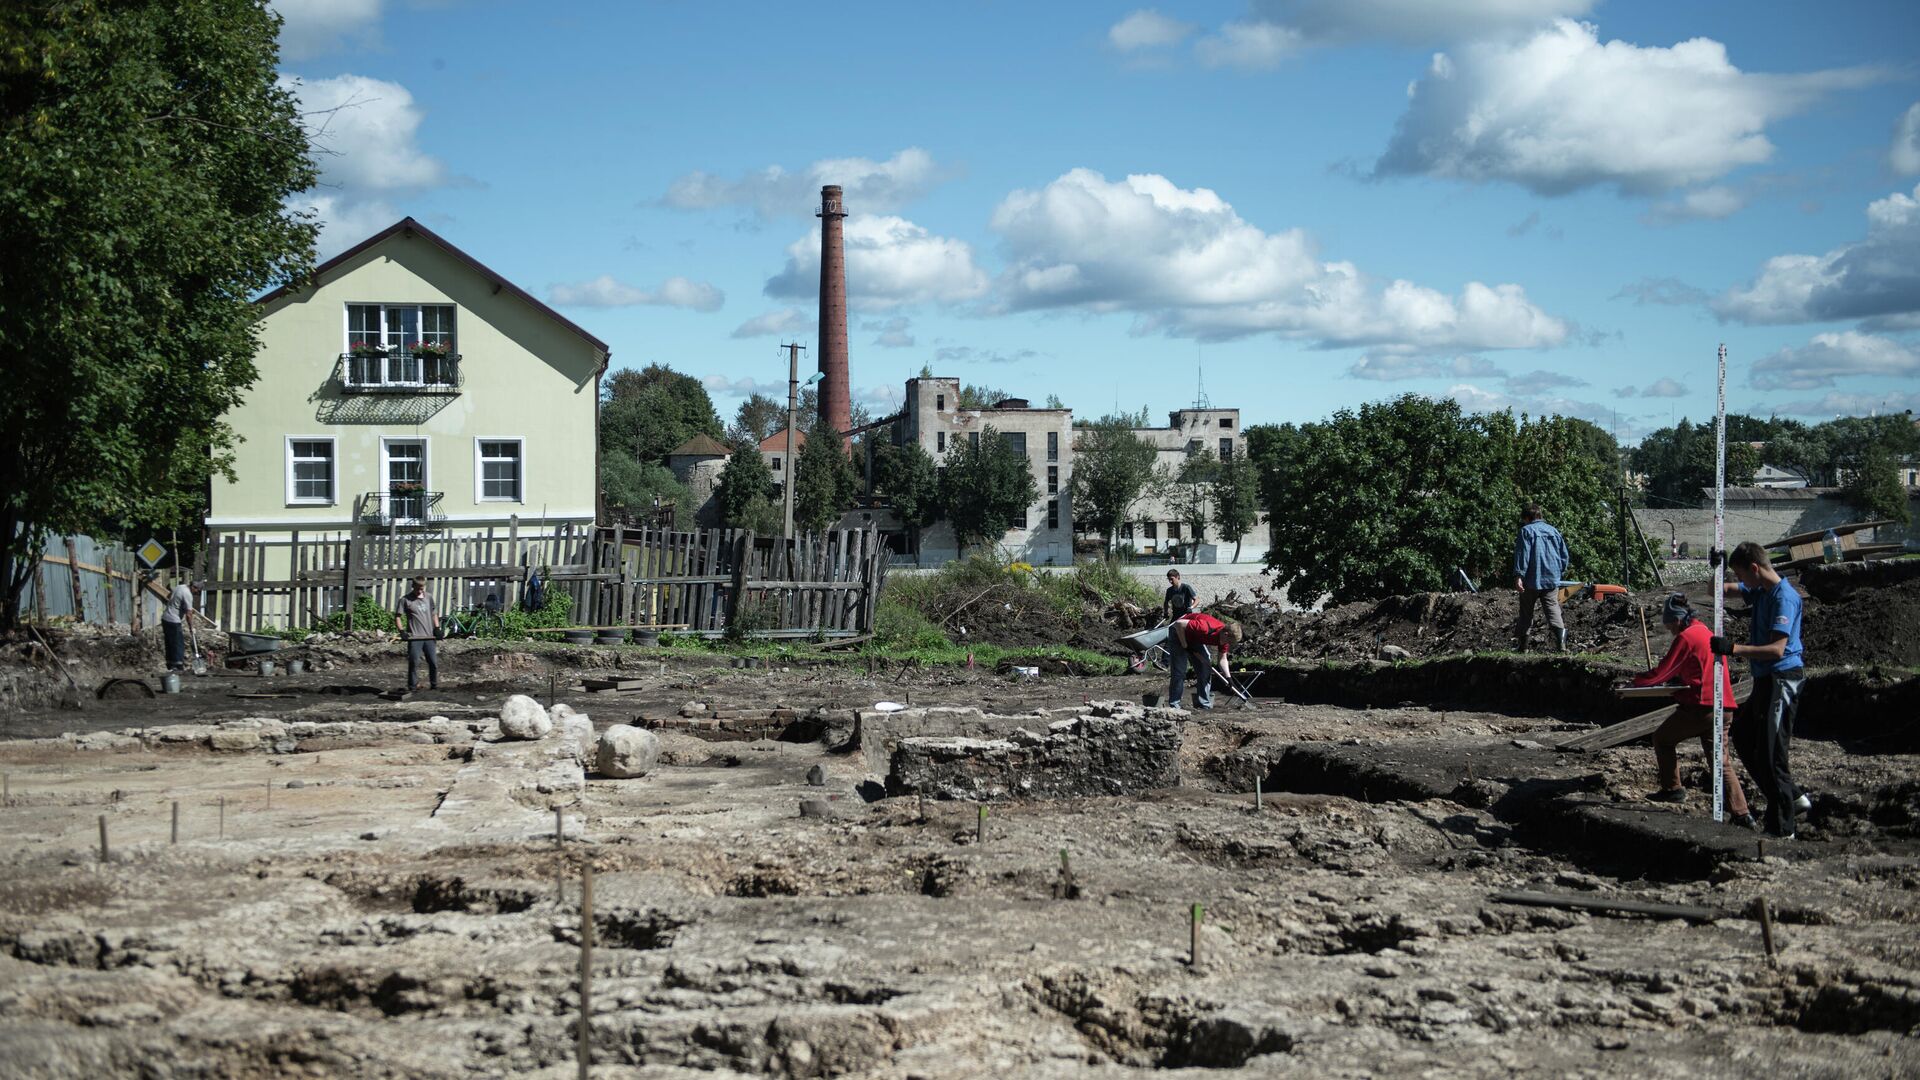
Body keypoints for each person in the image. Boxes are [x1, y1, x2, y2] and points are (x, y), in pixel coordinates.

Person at [1630, 593, 1754, 828]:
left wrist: (1637, 682)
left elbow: (1664, 671)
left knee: (1662, 739)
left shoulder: (1687, 637)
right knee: (1721, 762)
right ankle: (1742, 813)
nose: (1669, 630)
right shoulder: (1705, 632)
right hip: (1724, 706)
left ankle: (1673, 789)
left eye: (1669, 624)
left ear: (1678, 619)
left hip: (1702, 706)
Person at [1712, 541, 1808, 839]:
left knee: (1771, 754)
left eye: (1742, 575)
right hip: (1765, 680)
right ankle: (1791, 795)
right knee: (1742, 735)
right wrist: (1716, 569)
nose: (1741, 582)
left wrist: (1734, 649)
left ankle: (1784, 827)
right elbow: (1716, 593)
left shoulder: (1784, 599)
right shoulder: (1762, 591)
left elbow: (1778, 649)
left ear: (1755, 568)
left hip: (1784, 679)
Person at [1512, 504, 1571, 652]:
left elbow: (1523, 554)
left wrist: (1519, 575)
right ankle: (1561, 644)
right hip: (1551, 578)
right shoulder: (1553, 531)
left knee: (1526, 612)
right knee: (1553, 609)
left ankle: (1523, 646)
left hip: (1531, 579)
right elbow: (1564, 555)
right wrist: (1559, 572)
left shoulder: (1526, 531)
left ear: (1527, 518)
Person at [1167, 611, 1242, 711]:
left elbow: (1222, 659)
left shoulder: (1225, 640)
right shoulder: (1204, 627)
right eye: (1229, 641)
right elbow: (1179, 623)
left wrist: (1229, 678)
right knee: (1179, 672)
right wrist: (1184, 644)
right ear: (1225, 634)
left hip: (1195, 637)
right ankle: (1174, 705)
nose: (1228, 644)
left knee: (1205, 669)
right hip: (1178, 632)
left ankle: (1204, 704)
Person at [395, 577, 442, 692]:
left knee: (433, 662)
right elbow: (397, 617)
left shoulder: (429, 597)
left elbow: (434, 613)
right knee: (414, 662)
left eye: (422, 589)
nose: (420, 591)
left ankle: (434, 685)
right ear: (413, 586)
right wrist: (402, 631)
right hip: (415, 637)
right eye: (418, 589)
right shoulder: (405, 600)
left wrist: (437, 628)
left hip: (429, 636)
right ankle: (412, 686)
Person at [160, 578, 199, 670]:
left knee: (169, 643)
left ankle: (170, 664)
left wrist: (177, 604)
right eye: (197, 591)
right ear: (194, 587)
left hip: (165, 618)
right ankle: (177, 665)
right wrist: (191, 627)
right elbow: (189, 615)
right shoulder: (188, 594)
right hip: (174, 620)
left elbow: (169, 596)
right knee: (178, 643)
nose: (197, 593)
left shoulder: (180, 587)